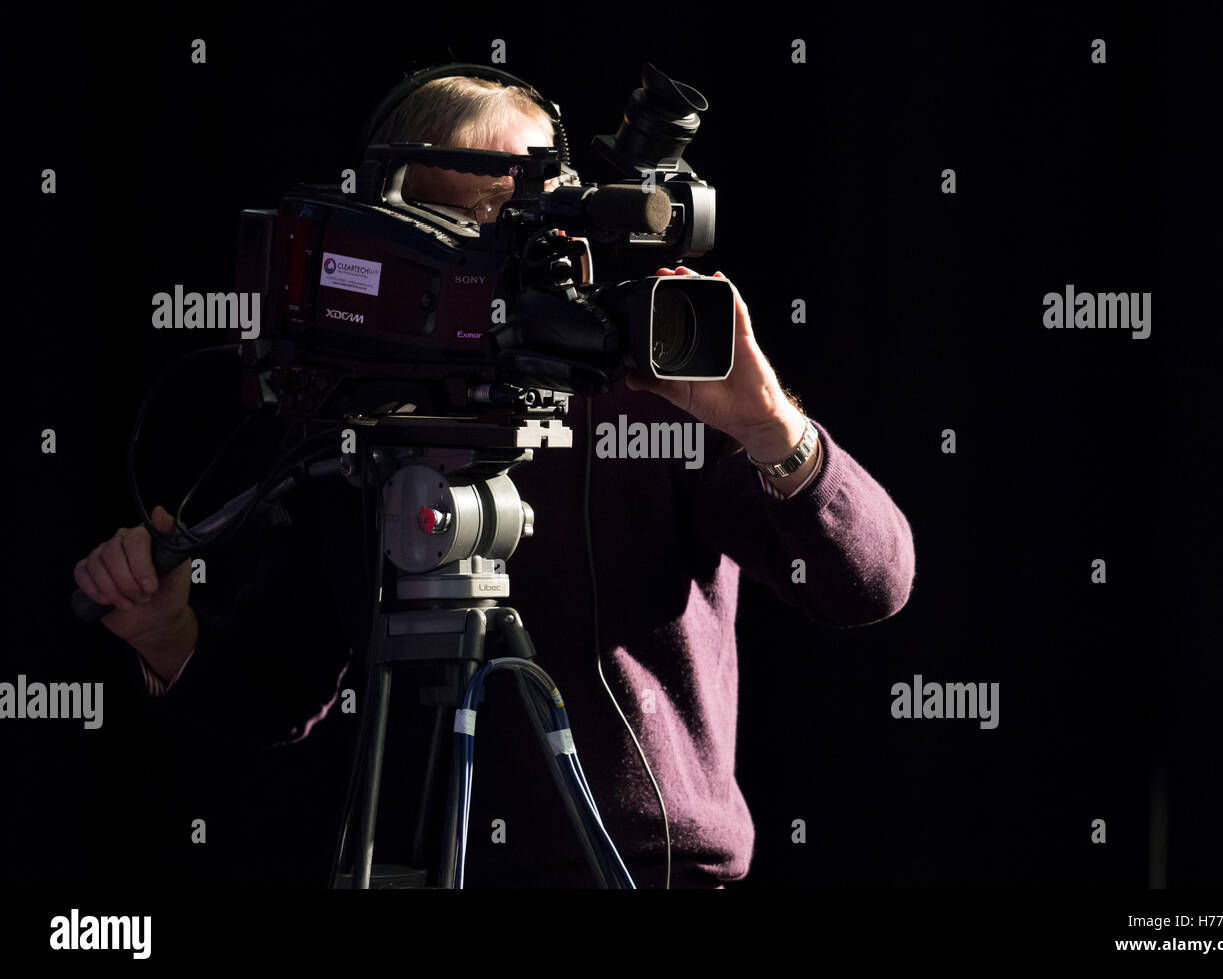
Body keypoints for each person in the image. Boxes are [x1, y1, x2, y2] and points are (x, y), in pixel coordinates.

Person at [73, 74, 916, 888]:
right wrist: (167, 633)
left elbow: (869, 583)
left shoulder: (652, 392)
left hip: (651, 871)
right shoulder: (352, 413)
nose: (495, 254)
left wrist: (775, 431)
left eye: (523, 218)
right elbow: (278, 689)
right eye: (457, 219)